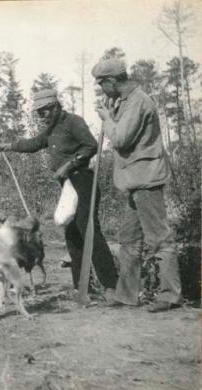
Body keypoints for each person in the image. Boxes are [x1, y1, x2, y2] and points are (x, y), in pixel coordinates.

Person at [0, 89, 118, 299]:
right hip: (69, 186)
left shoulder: (73, 122)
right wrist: (9, 146)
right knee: (72, 235)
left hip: (84, 181)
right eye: (38, 114)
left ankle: (111, 286)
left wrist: (68, 165)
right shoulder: (52, 129)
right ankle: (81, 287)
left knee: (89, 230)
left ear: (54, 107)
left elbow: (91, 145)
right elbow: (33, 143)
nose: (41, 117)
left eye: (44, 112)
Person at [92, 57, 182, 312]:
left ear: (111, 81)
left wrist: (107, 119)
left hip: (146, 179)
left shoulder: (138, 101)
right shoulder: (126, 102)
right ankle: (126, 294)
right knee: (129, 238)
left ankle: (171, 295)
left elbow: (120, 139)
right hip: (135, 181)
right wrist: (111, 112)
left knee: (159, 238)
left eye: (101, 85)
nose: (101, 90)